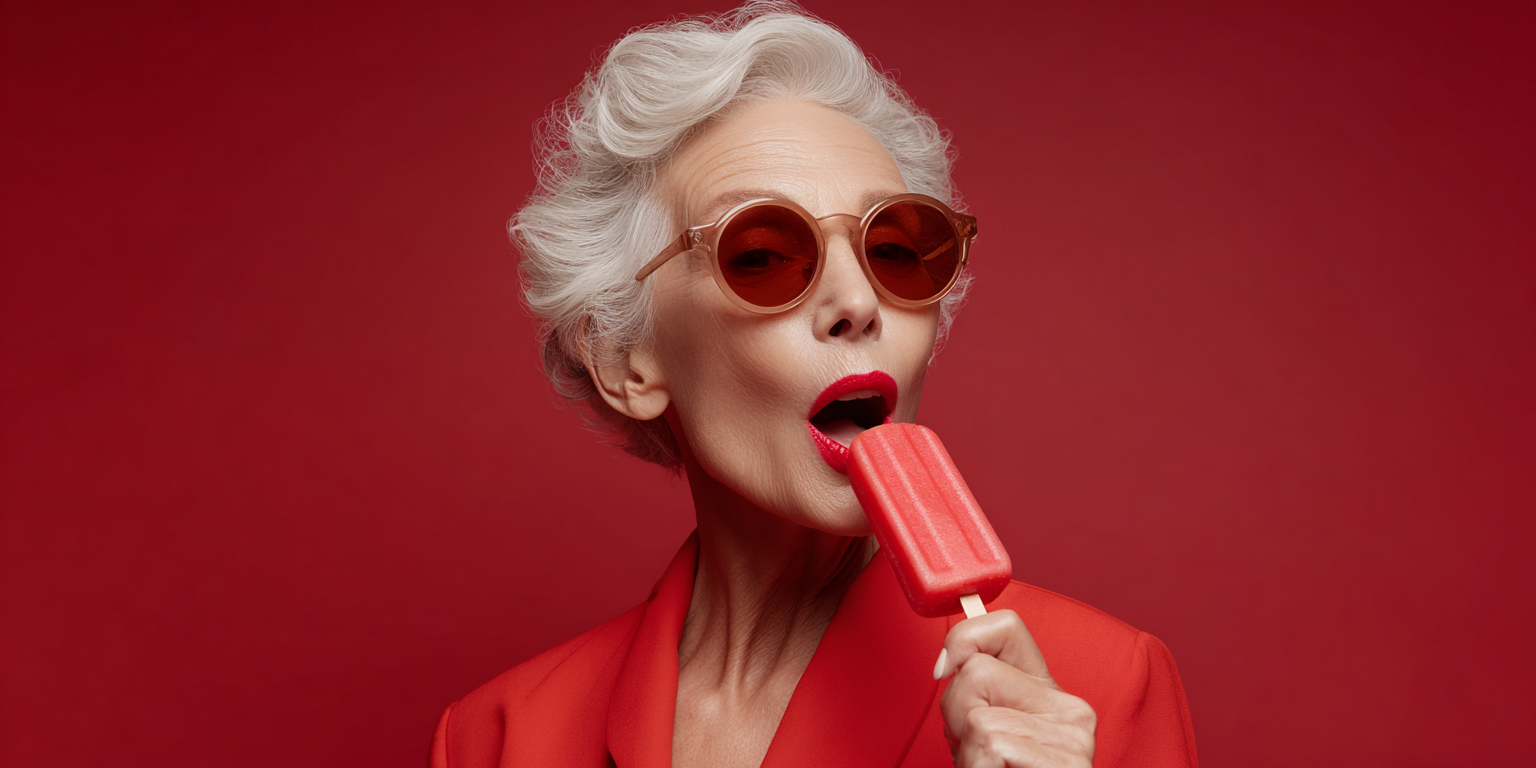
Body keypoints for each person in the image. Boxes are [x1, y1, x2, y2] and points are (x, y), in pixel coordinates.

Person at [430, 4, 1197, 766]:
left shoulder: (1096, 687)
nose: (858, 305)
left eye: (896, 251)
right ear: (625, 358)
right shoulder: (500, 738)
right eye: (761, 256)